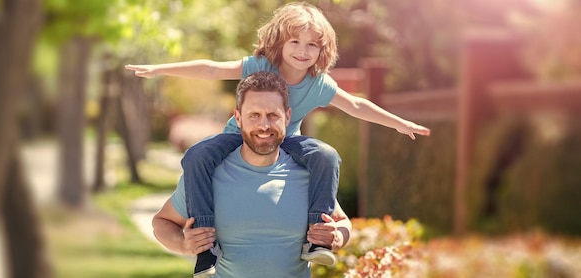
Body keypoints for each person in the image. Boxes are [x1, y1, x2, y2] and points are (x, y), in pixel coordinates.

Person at [126, 1, 430, 276]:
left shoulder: (318, 83)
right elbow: (212, 69)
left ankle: (317, 237)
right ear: (279, 42)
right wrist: (160, 69)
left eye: (312, 44)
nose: (302, 50)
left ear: (322, 49)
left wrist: (398, 123)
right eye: (295, 41)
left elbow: (356, 105)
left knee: (325, 155)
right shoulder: (262, 66)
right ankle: (205, 243)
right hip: (236, 137)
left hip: (287, 141)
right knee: (197, 155)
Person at [152, 71, 352, 278]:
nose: (264, 126)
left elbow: (343, 222)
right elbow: (162, 222)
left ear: (288, 117)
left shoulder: (309, 174)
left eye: (273, 115)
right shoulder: (204, 176)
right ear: (238, 118)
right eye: (254, 115)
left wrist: (337, 237)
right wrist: (185, 245)